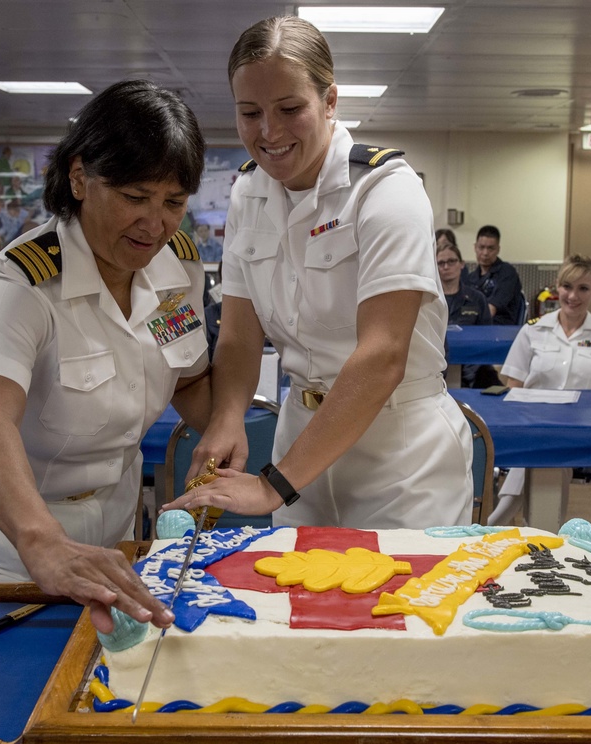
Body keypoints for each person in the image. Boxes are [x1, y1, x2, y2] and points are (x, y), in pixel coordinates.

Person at [0, 80, 211, 635]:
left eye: (174, 203)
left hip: (110, 531)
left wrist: (227, 434)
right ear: (80, 178)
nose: (156, 225)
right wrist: (41, 540)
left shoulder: (179, 270)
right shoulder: (19, 282)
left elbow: (189, 379)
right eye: (134, 197)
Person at [164, 16, 472, 530]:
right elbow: (240, 335)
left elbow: (382, 356)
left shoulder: (384, 190)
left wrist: (274, 485)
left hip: (399, 451)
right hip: (301, 435)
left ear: (330, 101)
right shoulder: (248, 193)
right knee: (295, 603)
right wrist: (225, 420)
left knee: (399, 607)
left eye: (290, 109)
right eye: (249, 112)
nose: (269, 132)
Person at [485, 254, 591, 529]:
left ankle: (494, 524)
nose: (573, 296)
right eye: (567, 286)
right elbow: (514, 390)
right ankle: (544, 536)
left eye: (583, 288)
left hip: (581, 432)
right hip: (530, 427)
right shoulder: (532, 331)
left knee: (548, 451)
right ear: (556, 287)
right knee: (544, 450)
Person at [437, 242, 496, 387]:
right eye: (441, 263)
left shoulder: (477, 298)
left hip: (473, 367)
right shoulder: (429, 301)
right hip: (438, 366)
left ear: (461, 264)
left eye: (451, 261)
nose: (446, 267)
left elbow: (487, 337)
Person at [463, 225, 524, 325]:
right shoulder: (471, 278)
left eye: (490, 248)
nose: (485, 253)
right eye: (481, 247)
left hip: (499, 329)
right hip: (473, 328)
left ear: (498, 249)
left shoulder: (507, 273)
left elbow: (490, 310)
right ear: (475, 247)